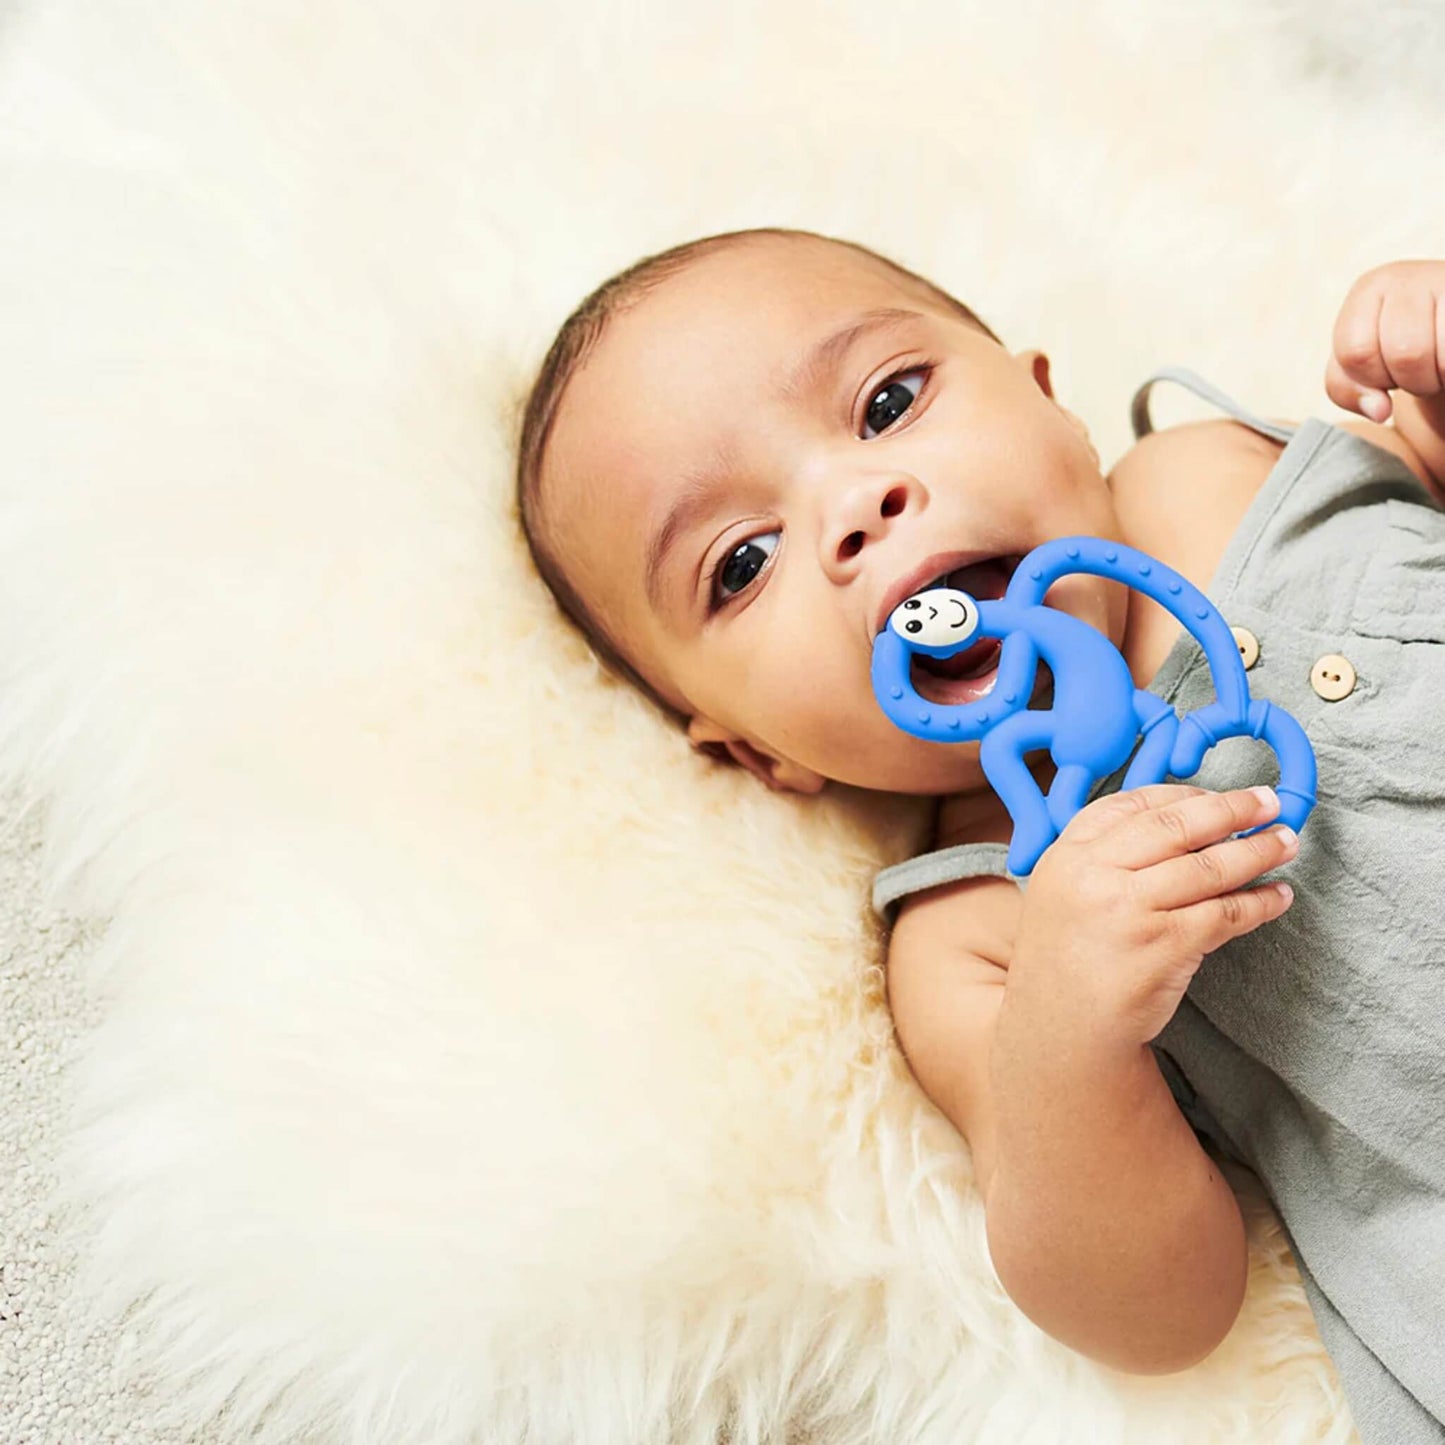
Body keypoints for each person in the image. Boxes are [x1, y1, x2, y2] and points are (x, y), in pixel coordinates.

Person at [513, 226, 1445, 1443]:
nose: (853, 505)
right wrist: (1071, 1031)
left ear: (1049, 402)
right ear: (756, 751)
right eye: (740, 562)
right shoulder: (976, 924)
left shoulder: (1211, 464)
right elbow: (1159, 1312)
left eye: (886, 401)